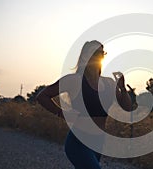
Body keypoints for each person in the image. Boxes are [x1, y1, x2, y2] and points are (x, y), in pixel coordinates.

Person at [36, 40, 132, 169]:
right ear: (85, 56)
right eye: (95, 53)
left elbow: (127, 107)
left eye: (102, 53)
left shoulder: (109, 83)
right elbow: (42, 96)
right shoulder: (74, 80)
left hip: (98, 142)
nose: (99, 56)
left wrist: (123, 89)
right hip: (78, 142)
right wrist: (61, 112)